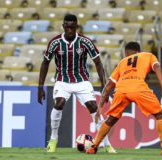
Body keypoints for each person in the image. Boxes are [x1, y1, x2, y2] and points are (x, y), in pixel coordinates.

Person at [38, 14, 116, 153]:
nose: (69, 30)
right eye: (67, 27)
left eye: (72, 27)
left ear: (76, 27)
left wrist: (105, 85)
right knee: (59, 103)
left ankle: (106, 143)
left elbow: (98, 62)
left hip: (82, 81)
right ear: (63, 26)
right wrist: (40, 87)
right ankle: (53, 139)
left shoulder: (85, 41)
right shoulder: (55, 43)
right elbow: (45, 63)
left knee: (93, 107)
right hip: (62, 80)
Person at [86, 42, 162, 156]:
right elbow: (157, 67)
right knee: (160, 115)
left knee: (111, 119)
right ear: (138, 51)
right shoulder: (148, 55)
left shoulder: (122, 62)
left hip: (121, 89)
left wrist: (99, 107)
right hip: (138, 87)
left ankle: (94, 147)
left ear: (126, 53)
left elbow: (108, 86)